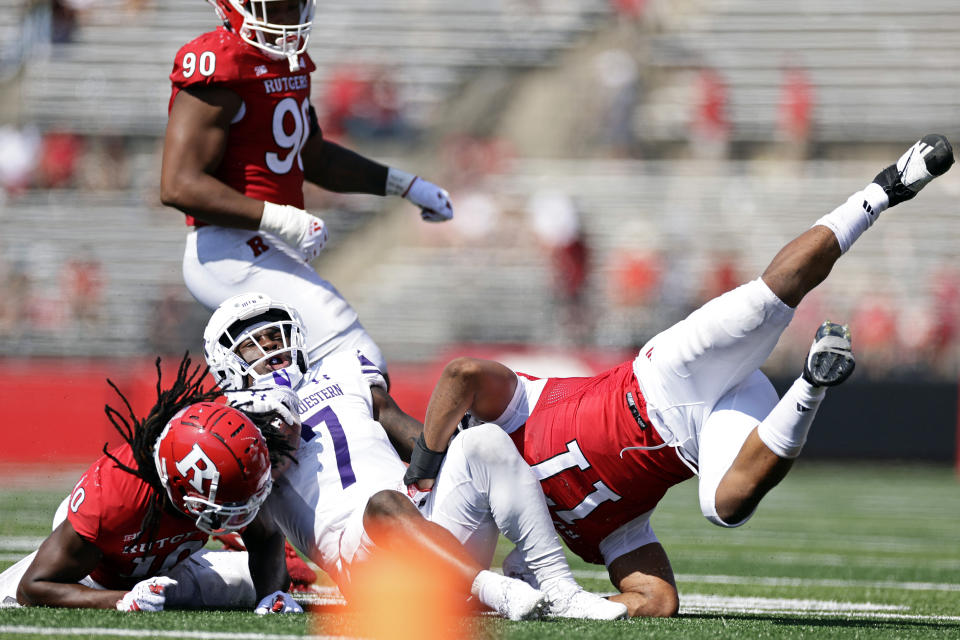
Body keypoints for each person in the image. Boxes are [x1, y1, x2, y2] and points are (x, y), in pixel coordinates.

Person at [403, 135, 955, 617]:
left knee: (769, 299)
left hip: (666, 375)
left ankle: (887, 187)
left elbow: (462, 374)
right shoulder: (591, 535)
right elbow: (657, 601)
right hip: (702, 434)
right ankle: (812, 381)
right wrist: (560, 603)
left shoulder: (515, 411)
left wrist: (423, 470)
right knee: (723, 507)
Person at [202, 292, 629, 620]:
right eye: (255, 344)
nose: (272, 347)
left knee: (482, 442)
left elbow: (402, 426)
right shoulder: (233, 425)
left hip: (425, 524)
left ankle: (560, 590)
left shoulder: (343, 368)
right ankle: (498, 592)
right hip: (369, 570)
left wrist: (459, 459)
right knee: (383, 505)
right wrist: (271, 594)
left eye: (275, 335)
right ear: (227, 360)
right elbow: (262, 533)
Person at [160, 0, 454, 375]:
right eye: (275, 9)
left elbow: (315, 159)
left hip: (262, 244)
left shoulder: (287, 63)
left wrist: (407, 185)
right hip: (228, 248)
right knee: (355, 355)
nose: (287, 22)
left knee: (304, 380)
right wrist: (280, 218)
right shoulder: (220, 62)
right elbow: (178, 186)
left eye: (293, 8)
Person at [0, 355, 301, 614]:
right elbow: (34, 587)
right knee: (7, 601)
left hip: (165, 565)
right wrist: (120, 600)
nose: (239, 516)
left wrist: (273, 595)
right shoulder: (114, 501)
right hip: (96, 570)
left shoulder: (221, 472)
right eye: (226, 505)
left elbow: (265, 536)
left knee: (257, 582)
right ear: (181, 489)